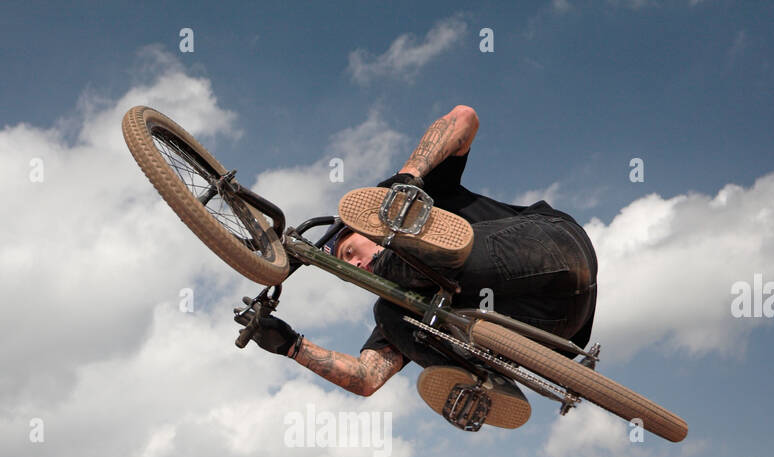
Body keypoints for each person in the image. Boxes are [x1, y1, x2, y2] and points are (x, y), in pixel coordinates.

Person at [238, 104, 598, 431]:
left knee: (397, 260)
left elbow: (465, 117)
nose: (359, 264)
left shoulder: (430, 196)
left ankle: (395, 221)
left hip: (551, 250)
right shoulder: (399, 301)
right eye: (350, 266)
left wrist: (409, 177)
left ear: (360, 230)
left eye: (350, 252)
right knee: (391, 314)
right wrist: (291, 346)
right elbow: (367, 378)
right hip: (554, 329)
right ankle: (483, 379)